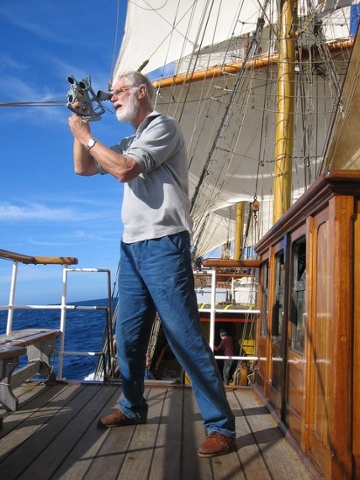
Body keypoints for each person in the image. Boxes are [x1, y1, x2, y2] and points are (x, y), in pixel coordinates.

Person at [68, 71, 236, 457]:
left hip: (164, 245)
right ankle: (132, 407)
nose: (112, 98)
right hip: (131, 248)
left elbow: (125, 169)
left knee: (184, 339)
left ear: (141, 92)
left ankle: (221, 427)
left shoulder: (163, 127)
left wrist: (85, 135)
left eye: (119, 91)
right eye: (110, 94)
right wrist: (84, 127)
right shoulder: (130, 139)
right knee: (127, 339)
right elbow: (84, 168)